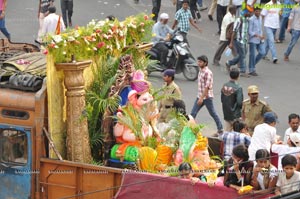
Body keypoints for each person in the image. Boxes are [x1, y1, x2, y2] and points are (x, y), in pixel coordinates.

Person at [190, 55, 223, 135]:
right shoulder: (200, 71)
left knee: (213, 113)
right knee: (193, 113)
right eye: (198, 61)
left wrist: (201, 98)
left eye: (200, 62)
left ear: (205, 63)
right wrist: (200, 97)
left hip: (207, 97)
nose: (198, 63)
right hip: (200, 95)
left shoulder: (208, 73)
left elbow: (207, 87)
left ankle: (220, 129)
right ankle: (189, 128)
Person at [225, 7, 252, 77]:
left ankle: (229, 63)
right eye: (249, 12)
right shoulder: (239, 20)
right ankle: (243, 71)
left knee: (241, 55)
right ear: (245, 12)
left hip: (245, 41)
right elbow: (234, 31)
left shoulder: (247, 19)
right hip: (240, 41)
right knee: (243, 56)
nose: (250, 14)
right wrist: (231, 43)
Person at [221, 67, 243, 131]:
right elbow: (239, 102)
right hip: (235, 114)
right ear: (238, 76)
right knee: (237, 131)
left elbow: (222, 99)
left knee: (227, 131)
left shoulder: (224, 85)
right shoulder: (238, 88)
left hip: (226, 112)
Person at [248, 7, 265, 76]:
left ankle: (252, 65)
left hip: (260, 39)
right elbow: (249, 31)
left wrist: (262, 36)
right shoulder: (251, 19)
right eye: (257, 11)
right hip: (253, 40)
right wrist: (257, 35)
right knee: (252, 55)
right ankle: (252, 69)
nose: (258, 13)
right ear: (254, 12)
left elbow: (260, 29)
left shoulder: (260, 18)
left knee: (262, 52)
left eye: (259, 11)